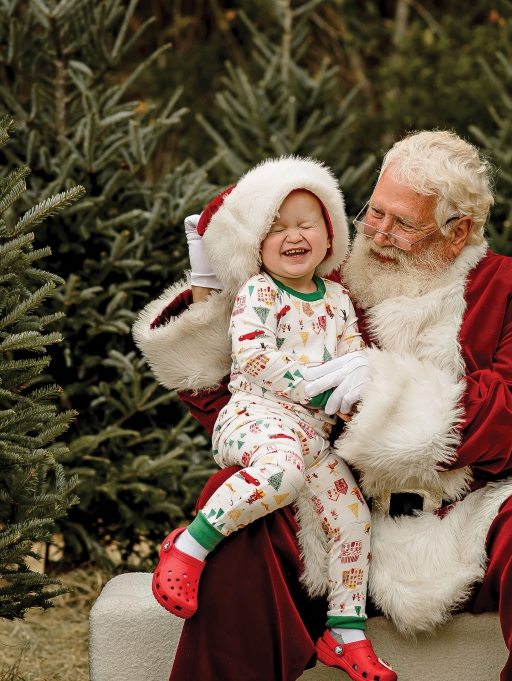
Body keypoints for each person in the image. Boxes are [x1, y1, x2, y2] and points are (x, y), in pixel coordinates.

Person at [134, 131, 512, 681]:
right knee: (242, 511)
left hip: (462, 517)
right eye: (374, 211)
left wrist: (389, 392)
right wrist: (213, 269)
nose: (378, 233)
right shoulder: (324, 277)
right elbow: (240, 396)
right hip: (337, 510)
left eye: (404, 224)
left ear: (457, 231)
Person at [146, 156, 395, 681]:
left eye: (306, 224)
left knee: (352, 517)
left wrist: (355, 390)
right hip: (256, 417)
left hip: (315, 436)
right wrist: (314, 386)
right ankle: (189, 546)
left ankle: (345, 631)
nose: (292, 236)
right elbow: (254, 356)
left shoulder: (338, 300)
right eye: (276, 228)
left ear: (329, 238)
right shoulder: (258, 294)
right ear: (256, 245)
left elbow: (353, 358)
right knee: (280, 472)